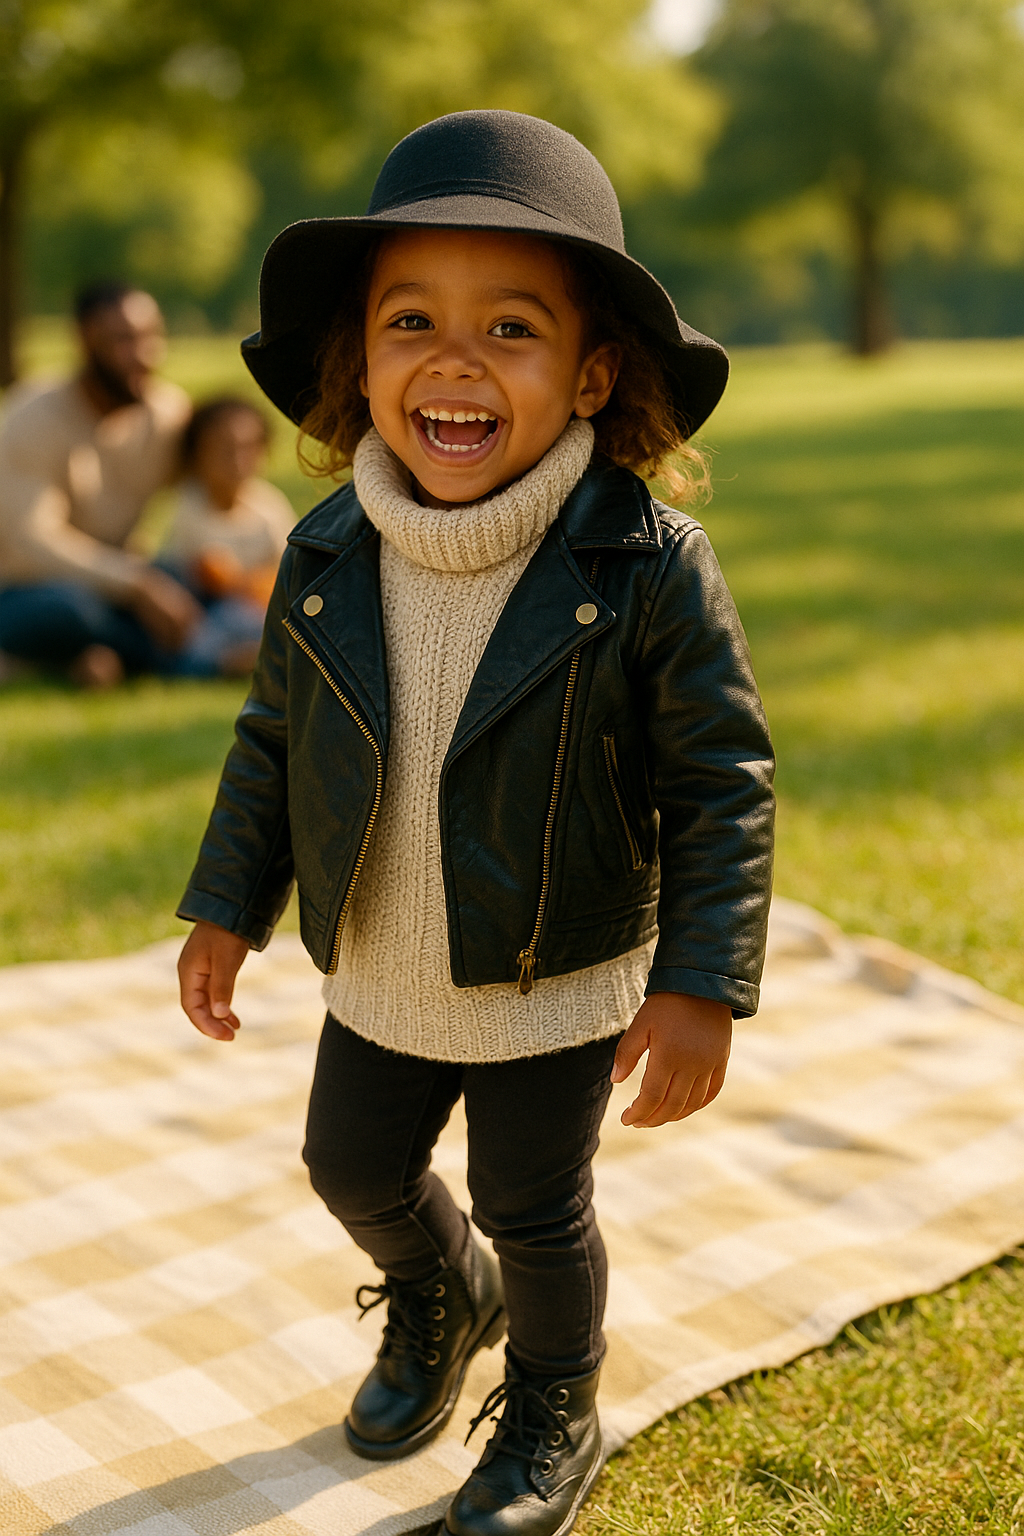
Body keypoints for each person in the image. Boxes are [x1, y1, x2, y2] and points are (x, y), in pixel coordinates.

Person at [176, 111, 775, 1536]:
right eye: (411, 324)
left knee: (536, 1203)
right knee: (351, 1166)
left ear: (592, 373)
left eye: (511, 327)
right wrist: (224, 901)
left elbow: (721, 779)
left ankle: (557, 1395)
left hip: (544, 975)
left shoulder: (644, 565)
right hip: (378, 957)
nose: (453, 361)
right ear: (359, 363)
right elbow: (273, 739)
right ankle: (447, 1296)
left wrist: (700, 984)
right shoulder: (322, 553)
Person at [0, 281, 200, 687]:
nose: (145, 355)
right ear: (84, 341)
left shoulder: (167, 415)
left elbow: (221, 494)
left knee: (189, 579)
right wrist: (135, 585)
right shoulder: (31, 417)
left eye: (151, 337)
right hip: (24, 589)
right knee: (71, 610)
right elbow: (31, 545)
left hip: (118, 583)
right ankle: (194, 661)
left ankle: (91, 659)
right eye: (124, 340)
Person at [157, 397, 294, 676]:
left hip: (255, 608)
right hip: (204, 609)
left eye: (248, 449)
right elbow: (187, 575)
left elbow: (289, 572)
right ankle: (226, 662)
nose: (236, 461)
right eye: (223, 449)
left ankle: (245, 657)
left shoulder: (268, 508)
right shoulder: (189, 506)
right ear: (197, 454)